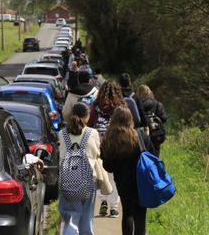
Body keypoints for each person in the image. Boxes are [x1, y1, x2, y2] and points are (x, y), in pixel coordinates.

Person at [101, 106, 156, 235]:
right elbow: (152, 155)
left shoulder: (109, 139)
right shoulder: (140, 135)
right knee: (140, 215)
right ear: (131, 119)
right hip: (141, 181)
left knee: (127, 213)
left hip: (122, 183)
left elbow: (108, 167)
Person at [58, 103, 100, 235]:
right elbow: (97, 153)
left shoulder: (62, 134)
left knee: (71, 218)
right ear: (87, 117)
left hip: (67, 180)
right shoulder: (92, 133)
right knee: (87, 217)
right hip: (88, 180)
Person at [88, 81, 124, 218]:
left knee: (100, 173)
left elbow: (90, 123)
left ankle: (103, 201)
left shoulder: (96, 106)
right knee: (114, 176)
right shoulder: (120, 106)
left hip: (99, 141)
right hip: (115, 141)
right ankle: (114, 207)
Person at [136, 85, 167, 155]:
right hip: (156, 135)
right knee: (155, 155)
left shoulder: (138, 106)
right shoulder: (157, 104)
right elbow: (164, 118)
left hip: (143, 136)